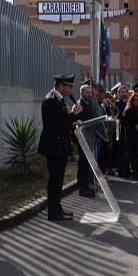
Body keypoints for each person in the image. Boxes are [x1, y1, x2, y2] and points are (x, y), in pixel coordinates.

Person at [38, 74, 82, 222]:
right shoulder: (51, 100)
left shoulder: (58, 99)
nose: (70, 89)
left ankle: (57, 207)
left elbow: (62, 121)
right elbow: (59, 124)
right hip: (54, 147)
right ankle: (53, 211)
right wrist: (74, 115)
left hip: (59, 146)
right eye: (68, 86)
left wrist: (72, 119)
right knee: (55, 180)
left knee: (58, 180)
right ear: (60, 86)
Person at [75, 82, 96, 197]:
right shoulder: (78, 104)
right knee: (83, 163)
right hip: (82, 137)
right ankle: (82, 187)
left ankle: (86, 185)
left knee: (87, 163)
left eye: (90, 92)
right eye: (87, 92)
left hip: (90, 136)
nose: (89, 94)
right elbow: (76, 121)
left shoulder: (90, 104)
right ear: (81, 93)